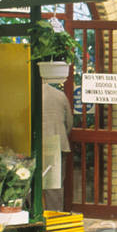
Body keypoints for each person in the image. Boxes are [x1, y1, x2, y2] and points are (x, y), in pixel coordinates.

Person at [42, 80, 73, 211]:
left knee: (30, 182)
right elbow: (69, 122)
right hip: (57, 143)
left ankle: (34, 215)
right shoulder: (60, 95)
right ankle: (55, 216)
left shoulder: (29, 95)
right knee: (54, 186)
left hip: (36, 143)